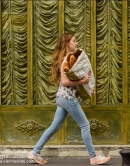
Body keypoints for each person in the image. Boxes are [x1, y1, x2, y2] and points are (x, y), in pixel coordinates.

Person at [28, 33, 111, 165]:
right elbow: (66, 82)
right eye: (74, 41)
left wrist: (87, 87)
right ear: (67, 44)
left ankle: (34, 152)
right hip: (67, 97)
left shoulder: (66, 58)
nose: (76, 43)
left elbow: (74, 79)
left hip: (62, 97)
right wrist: (83, 80)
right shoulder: (67, 59)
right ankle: (94, 156)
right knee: (85, 125)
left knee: (54, 127)